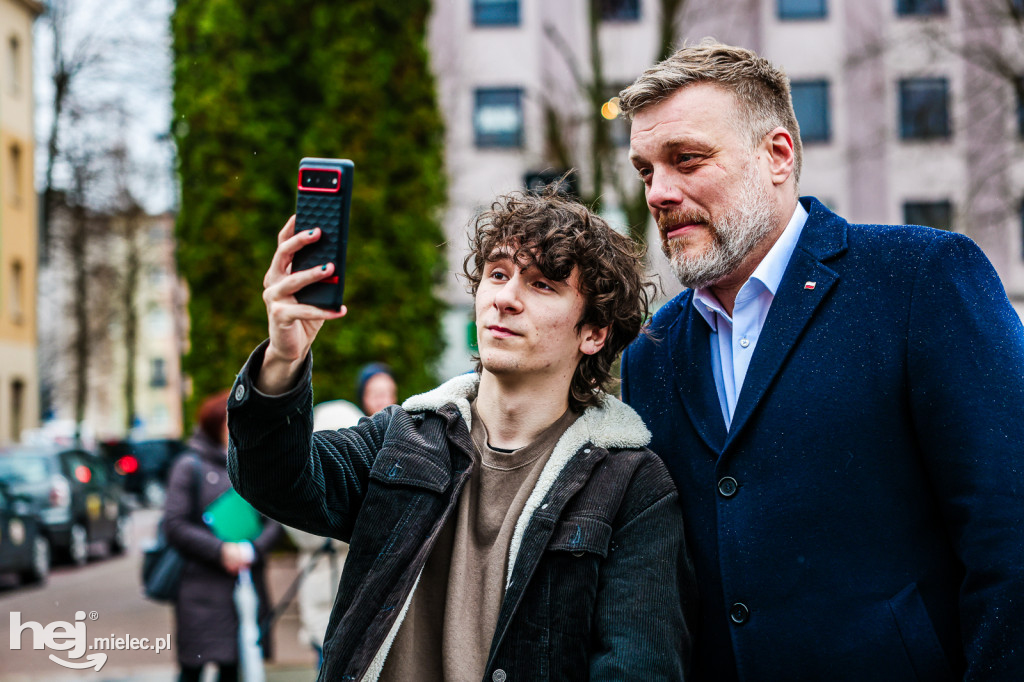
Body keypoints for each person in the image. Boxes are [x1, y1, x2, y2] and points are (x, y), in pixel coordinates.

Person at [619, 40, 1024, 680]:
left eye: (686, 160)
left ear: (777, 156)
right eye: (646, 171)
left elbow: (1010, 531)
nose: (659, 193)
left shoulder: (921, 278)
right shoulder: (651, 351)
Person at [226, 188, 695, 681]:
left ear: (594, 333)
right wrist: (283, 359)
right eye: (497, 274)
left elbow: (639, 668)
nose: (506, 298)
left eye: (542, 285)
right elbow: (276, 481)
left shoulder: (632, 486)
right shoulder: (405, 438)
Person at [164, 391, 283, 682]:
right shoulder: (189, 466)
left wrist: (251, 550)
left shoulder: (253, 465)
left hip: (246, 589)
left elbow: (275, 521)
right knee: (194, 668)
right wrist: (221, 550)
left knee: (236, 668)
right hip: (201, 592)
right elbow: (175, 524)